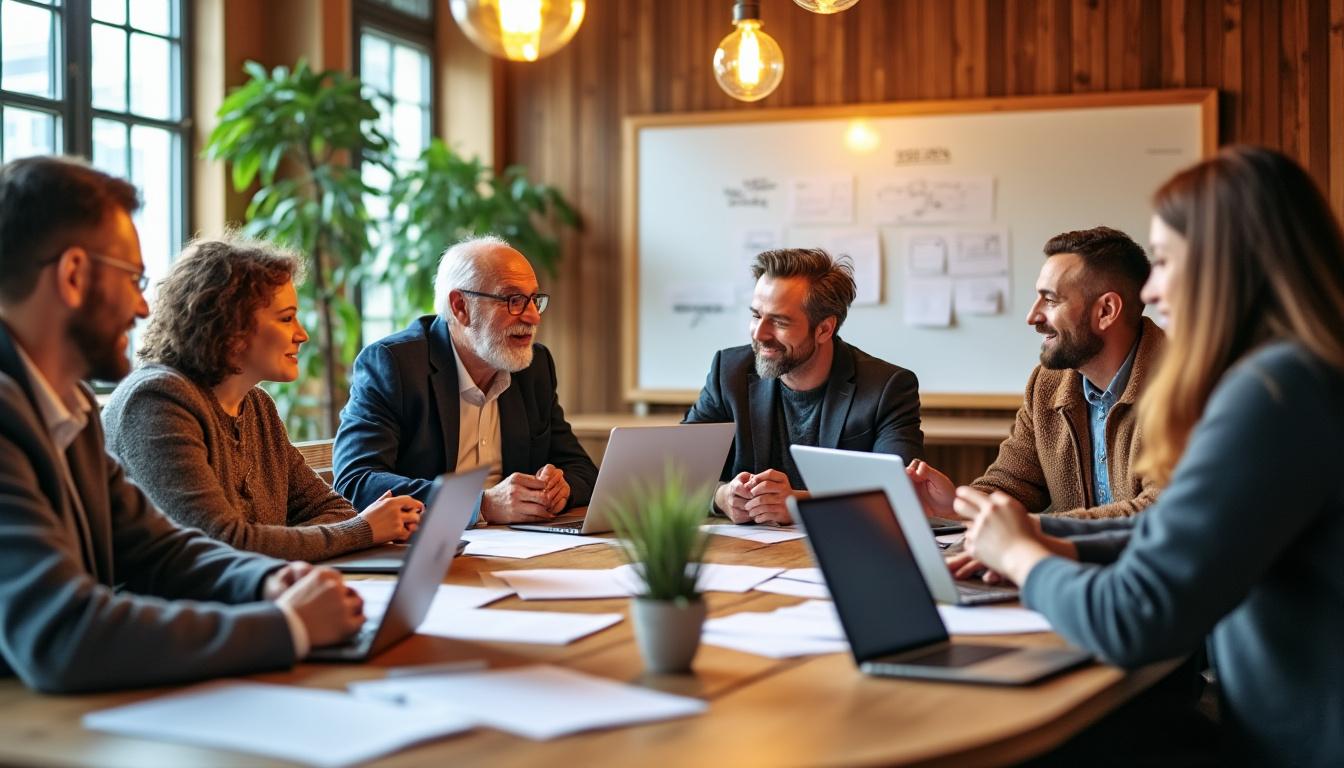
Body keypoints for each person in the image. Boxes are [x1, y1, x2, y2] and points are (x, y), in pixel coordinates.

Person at [954, 146, 1344, 766]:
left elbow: (1133, 617)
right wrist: (1052, 538)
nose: (1153, 291)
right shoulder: (1308, 374)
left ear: (1227, 266)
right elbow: (1183, 532)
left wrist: (1022, 556)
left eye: (1162, 263)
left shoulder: (1270, 393)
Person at [0, 156, 363, 693]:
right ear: (73, 275)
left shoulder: (67, 405)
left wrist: (266, 580)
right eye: (132, 278)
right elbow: (63, 634)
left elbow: (157, 548)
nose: (144, 306)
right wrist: (285, 625)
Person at [101, 236, 423, 562]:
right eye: (286, 318)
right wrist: (362, 530)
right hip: (172, 610)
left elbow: (334, 509)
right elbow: (221, 546)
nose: (302, 334)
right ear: (230, 325)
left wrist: (273, 541)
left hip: (249, 599)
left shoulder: (257, 406)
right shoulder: (157, 402)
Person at [333, 235, 597, 525]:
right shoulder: (393, 365)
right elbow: (355, 481)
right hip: (425, 549)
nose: (533, 316)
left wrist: (563, 488)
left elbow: (581, 468)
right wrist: (479, 505)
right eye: (514, 300)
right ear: (460, 306)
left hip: (519, 545)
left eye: (534, 300)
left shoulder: (534, 368)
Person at [907, 226, 1164, 520]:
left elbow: (1159, 513)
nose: (1033, 317)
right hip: (1074, 563)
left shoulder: (1185, 383)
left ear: (1106, 311)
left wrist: (1030, 527)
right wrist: (955, 505)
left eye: (1051, 300)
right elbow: (1012, 483)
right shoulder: (1046, 384)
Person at [684, 247, 924, 525]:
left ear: (824, 329)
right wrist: (721, 496)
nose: (760, 334)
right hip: (744, 555)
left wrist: (798, 504)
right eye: (756, 315)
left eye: (779, 321)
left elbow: (901, 495)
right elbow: (674, 473)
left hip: (841, 553)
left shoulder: (887, 388)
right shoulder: (729, 372)